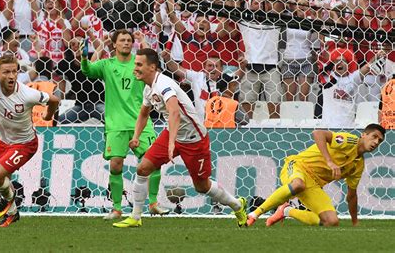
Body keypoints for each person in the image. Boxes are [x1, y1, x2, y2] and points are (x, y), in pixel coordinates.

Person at [113, 48, 247, 228]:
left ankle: (237, 205)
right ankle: (136, 217)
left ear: (152, 67)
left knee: (202, 186)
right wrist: (136, 136)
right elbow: (144, 113)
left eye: (139, 64)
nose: (134, 68)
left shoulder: (164, 85)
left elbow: (174, 113)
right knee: (143, 168)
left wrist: (170, 144)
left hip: (193, 138)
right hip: (173, 133)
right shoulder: (148, 88)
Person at [80, 29, 169, 220]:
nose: (127, 43)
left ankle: (153, 203)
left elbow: (154, 67)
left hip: (141, 122)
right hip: (116, 124)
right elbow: (87, 71)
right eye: (122, 40)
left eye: (129, 40)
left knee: (153, 161)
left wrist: (143, 40)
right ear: (114, 44)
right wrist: (85, 55)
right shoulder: (107, 65)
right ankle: (117, 209)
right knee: (115, 166)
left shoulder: (139, 63)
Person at [0, 54, 59, 227]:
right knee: (2, 181)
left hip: (25, 144)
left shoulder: (28, 94)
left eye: (14, 72)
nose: (11, 76)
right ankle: (13, 213)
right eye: (6, 72)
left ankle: (9, 198)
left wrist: (48, 115)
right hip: (3, 141)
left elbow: (54, 100)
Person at [246, 124, 385, 227]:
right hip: (298, 166)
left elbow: (352, 195)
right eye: (374, 137)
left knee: (331, 221)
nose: (376, 142)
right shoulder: (350, 141)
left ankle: (286, 211)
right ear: (364, 135)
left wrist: (355, 221)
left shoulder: (358, 165)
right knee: (299, 184)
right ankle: (255, 213)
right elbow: (318, 133)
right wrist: (329, 161)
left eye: (379, 141)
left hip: (314, 184)